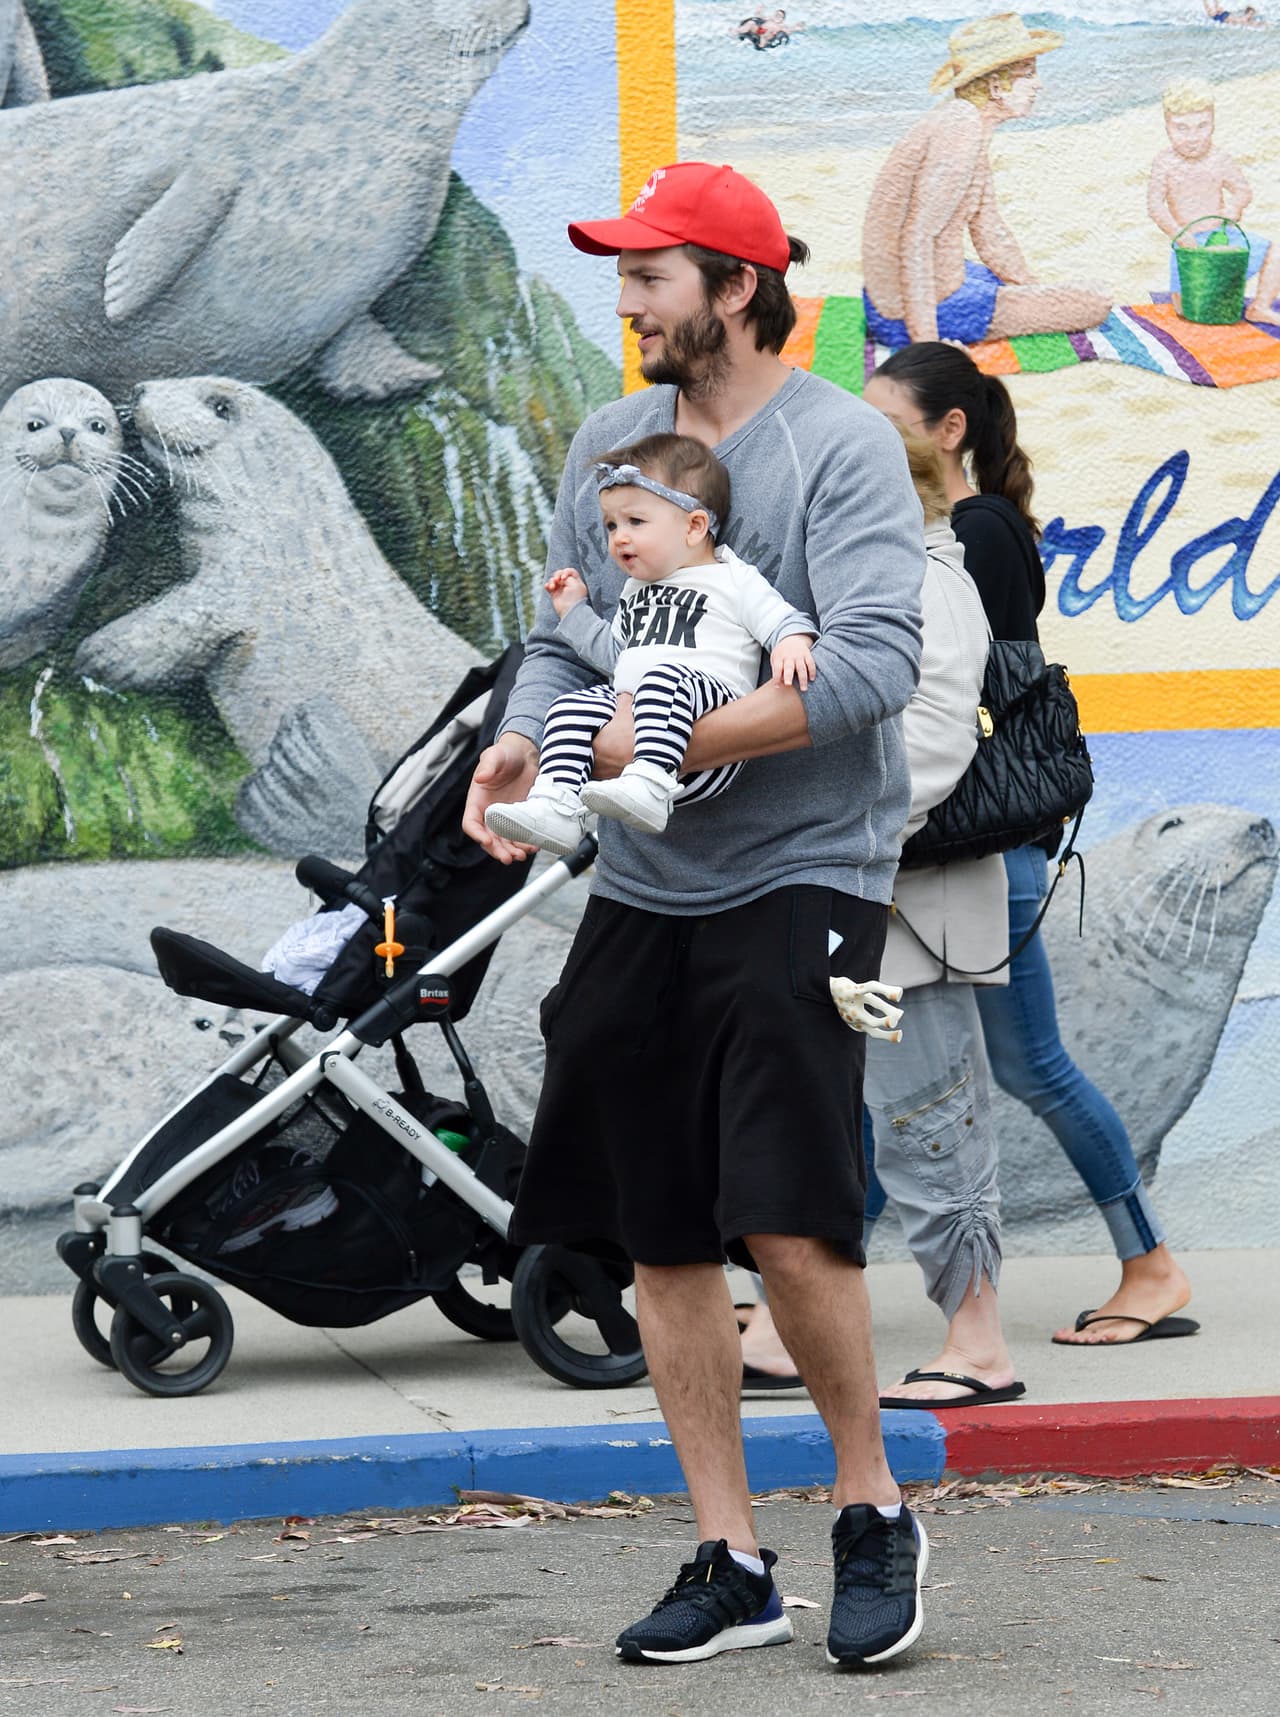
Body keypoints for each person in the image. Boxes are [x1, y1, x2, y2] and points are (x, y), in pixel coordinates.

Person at [464, 160, 928, 1669]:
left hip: (807, 876)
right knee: (661, 1231)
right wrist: (528, 740)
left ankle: (871, 1508)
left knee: (788, 1223)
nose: (627, 303)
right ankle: (731, 1556)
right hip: (643, 883)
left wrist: (648, 745)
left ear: (735, 288)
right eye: (621, 275)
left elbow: (865, 674)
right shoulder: (615, 444)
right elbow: (560, 642)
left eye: (651, 276)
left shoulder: (842, 447)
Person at [862, 341, 1197, 1352]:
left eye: (884, 419)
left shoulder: (974, 532)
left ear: (945, 429)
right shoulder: (956, 527)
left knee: (950, 1065)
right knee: (979, 1065)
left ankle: (1147, 1264)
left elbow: (973, 689)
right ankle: (1146, 1262)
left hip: (973, 847)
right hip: (975, 852)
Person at [743, 432, 1025, 1410]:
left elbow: (930, 746)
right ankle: (786, 1327)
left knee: (931, 1121)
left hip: (910, 905)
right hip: (855, 894)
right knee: (830, 1124)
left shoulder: (928, 586)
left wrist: (824, 845)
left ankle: (976, 1338)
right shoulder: (861, 579)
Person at [483, 433, 817, 853]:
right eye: (611, 525)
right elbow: (614, 657)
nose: (619, 537)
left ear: (694, 527)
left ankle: (650, 785)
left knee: (664, 678)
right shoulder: (635, 590)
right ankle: (558, 806)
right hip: (639, 716)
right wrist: (574, 612)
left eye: (635, 522)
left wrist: (790, 642)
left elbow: (782, 618)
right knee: (569, 707)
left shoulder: (731, 576)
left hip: (702, 742)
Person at [861, 12, 1111, 347]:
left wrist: (1033, 292)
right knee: (1094, 303)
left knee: (1017, 283)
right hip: (909, 313)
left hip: (912, 294)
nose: (1039, 84)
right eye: (1029, 74)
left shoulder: (968, 127)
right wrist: (928, 347)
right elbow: (917, 236)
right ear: (996, 85)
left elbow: (990, 232)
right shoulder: (961, 128)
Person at [1148, 77, 1280, 328]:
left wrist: (1234, 208)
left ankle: (1260, 306)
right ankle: (1216, 290)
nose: (1192, 137)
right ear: (1167, 127)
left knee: (1276, 252)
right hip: (1190, 244)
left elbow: (1242, 190)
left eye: (1202, 126)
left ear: (1213, 124)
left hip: (1224, 238)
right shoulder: (1164, 162)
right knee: (1185, 309)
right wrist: (1178, 234)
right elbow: (1155, 206)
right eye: (1181, 128)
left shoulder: (1219, 158)